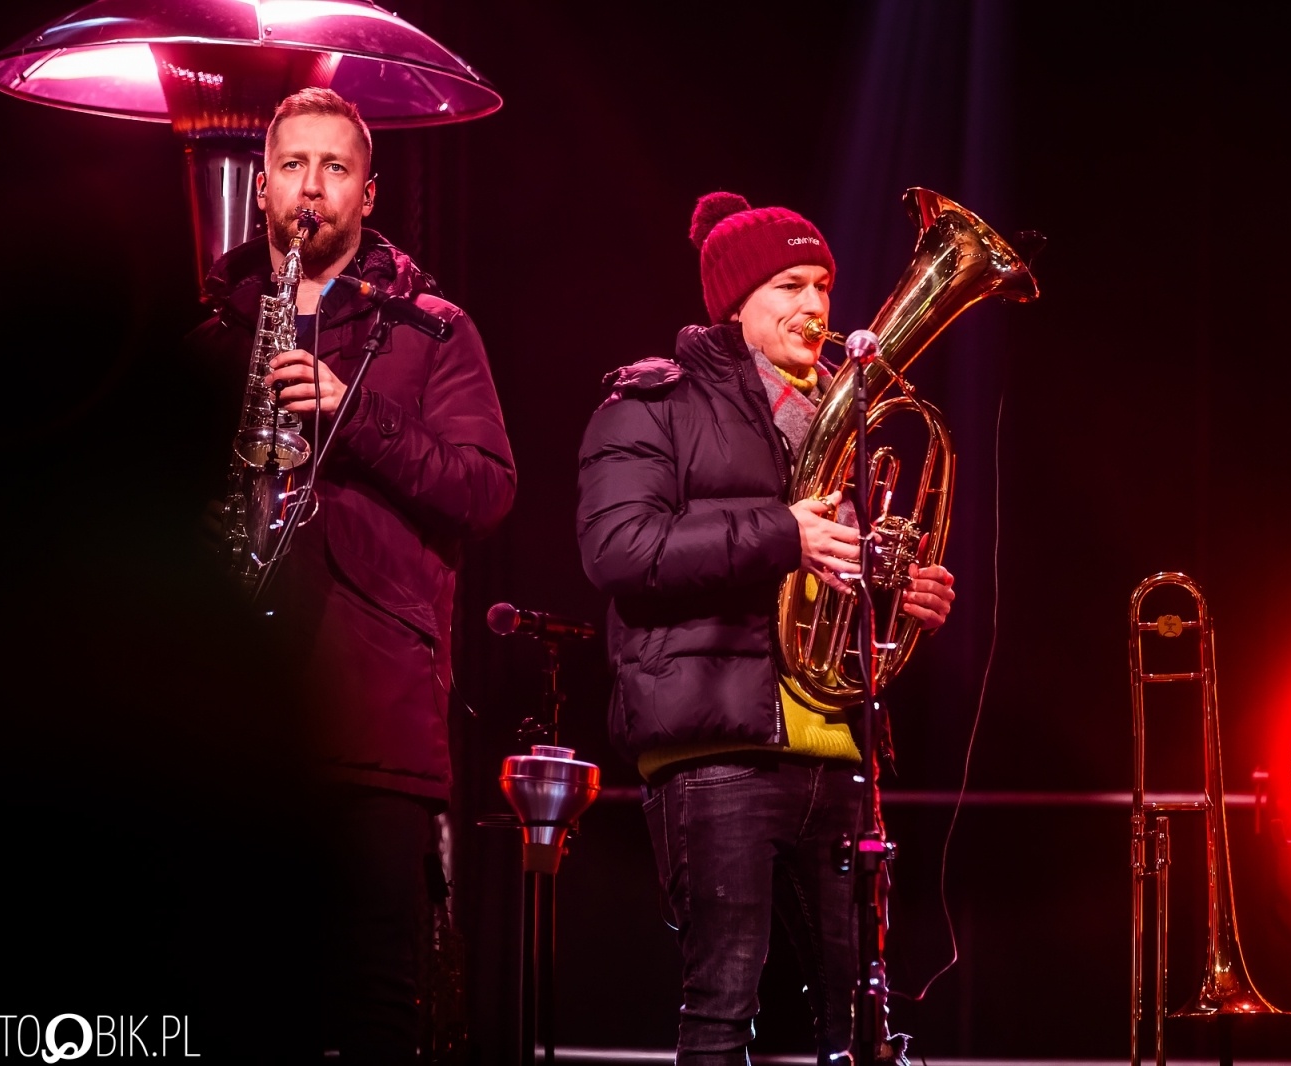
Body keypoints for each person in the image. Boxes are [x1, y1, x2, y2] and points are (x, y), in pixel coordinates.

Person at [576, 192, 956, 1065]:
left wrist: (905, 594)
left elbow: (842, 576)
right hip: (716, 749)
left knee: (856, 1021)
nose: (816, 307)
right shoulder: (651, 403)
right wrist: (785, 531)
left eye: (822, 284)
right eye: (789, 285)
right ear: (734, 303)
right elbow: (618, 549)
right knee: (723, 1006)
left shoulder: (848, 414)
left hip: (836, 748)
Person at [181, 87, 516, 1063]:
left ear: (369, 193)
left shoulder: (435, 331)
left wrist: (352, 414)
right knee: (238, 996)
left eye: (334, 168)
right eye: (292, 166)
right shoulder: (210, 341)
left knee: (376, 1001)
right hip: (237, 720)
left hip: (376, 717)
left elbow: (486, 489)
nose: (311, 187)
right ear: (262, 190)